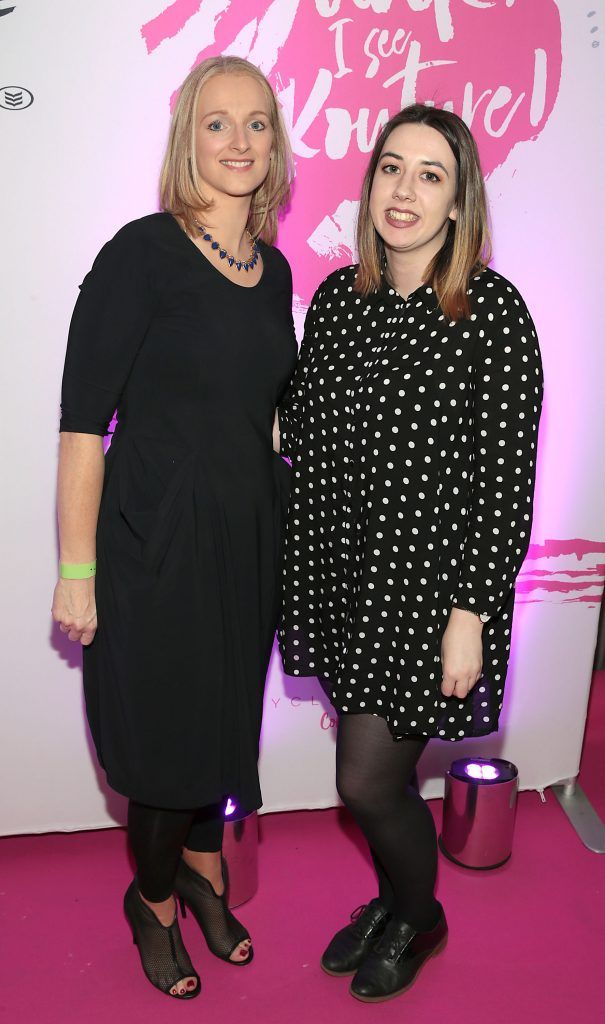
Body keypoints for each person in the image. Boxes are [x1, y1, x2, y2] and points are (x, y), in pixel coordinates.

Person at [278, 103, 543, 1003]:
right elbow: (304, 440)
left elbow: (506, 481)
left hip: (435, 599)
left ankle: (418, 915)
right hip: (351, 582)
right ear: (370, 184)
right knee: (369, 778)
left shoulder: (491, 313)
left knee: (364, 779)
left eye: (431, 175)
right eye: (392, 168)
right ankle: (395, 898)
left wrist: (471, 613)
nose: (405, 190)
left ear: (458, 201)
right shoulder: (340, 308)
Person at [52, 55, 296, 1000]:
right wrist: (78, 571)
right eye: (217, 122)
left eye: (258, 123)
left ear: (275, 145)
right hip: (153, 546)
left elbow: (256, 411)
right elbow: (83, 424)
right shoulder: (139, 254)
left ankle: (202, 874)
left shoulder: (272, 272)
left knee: (220, 732)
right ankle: (151, 902)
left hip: (245, 542)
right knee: (162, 755)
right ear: (187, 137)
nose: (238, 142)